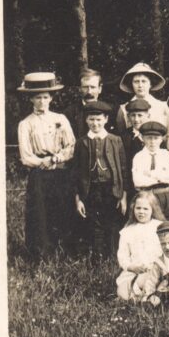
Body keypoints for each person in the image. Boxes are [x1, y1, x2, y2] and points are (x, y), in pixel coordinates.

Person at [73, 101, 128, 258]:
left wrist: (123, 196)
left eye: (98, 119)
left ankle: (112, 257)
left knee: (111, 222)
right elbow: (75, 173)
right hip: (90, 190)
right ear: (86, 120)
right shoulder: (81, 143)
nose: (95, 123)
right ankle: (97, 257)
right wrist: (78, 199)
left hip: (111, 188)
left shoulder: (115, 140)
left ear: (106, 119)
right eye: (91, 119)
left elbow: (123, 170)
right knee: (94, 223)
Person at [115, 191, 164, 300]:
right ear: (133, 209)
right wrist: (132, 267)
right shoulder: (127, 231)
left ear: (153, 209)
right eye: (138, 208)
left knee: (151, 280)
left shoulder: (160, 227)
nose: (141, 212)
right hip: (133, 272)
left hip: (155, 270)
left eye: (145, 209)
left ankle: (148, 296)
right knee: (122, 293)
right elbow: (123, 257)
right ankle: (143, 296)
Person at [132, 121, 169, 220]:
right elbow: (138, 181)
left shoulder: (166, 155)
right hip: (145, 195)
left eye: (156, 138)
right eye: (149, 138)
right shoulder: (138, 157)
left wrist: (150, 174)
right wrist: (160, 175)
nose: (152, 142)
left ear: (162, 139)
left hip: (164, 194)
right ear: (142, 138)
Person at [116, 62, 169, 134]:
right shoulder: (124, 109)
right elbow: (122, 136)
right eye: (136, 82)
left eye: (144, 81)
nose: (140, 85)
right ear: (131, 84)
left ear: (150, 84)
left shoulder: (162, 107)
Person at [63, 68, 118, 139]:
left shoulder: (111, 111)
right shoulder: (70, 113)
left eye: (93, 87)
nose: (89, 92)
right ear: (79, 89)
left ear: (100, 89)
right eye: (85, 87)